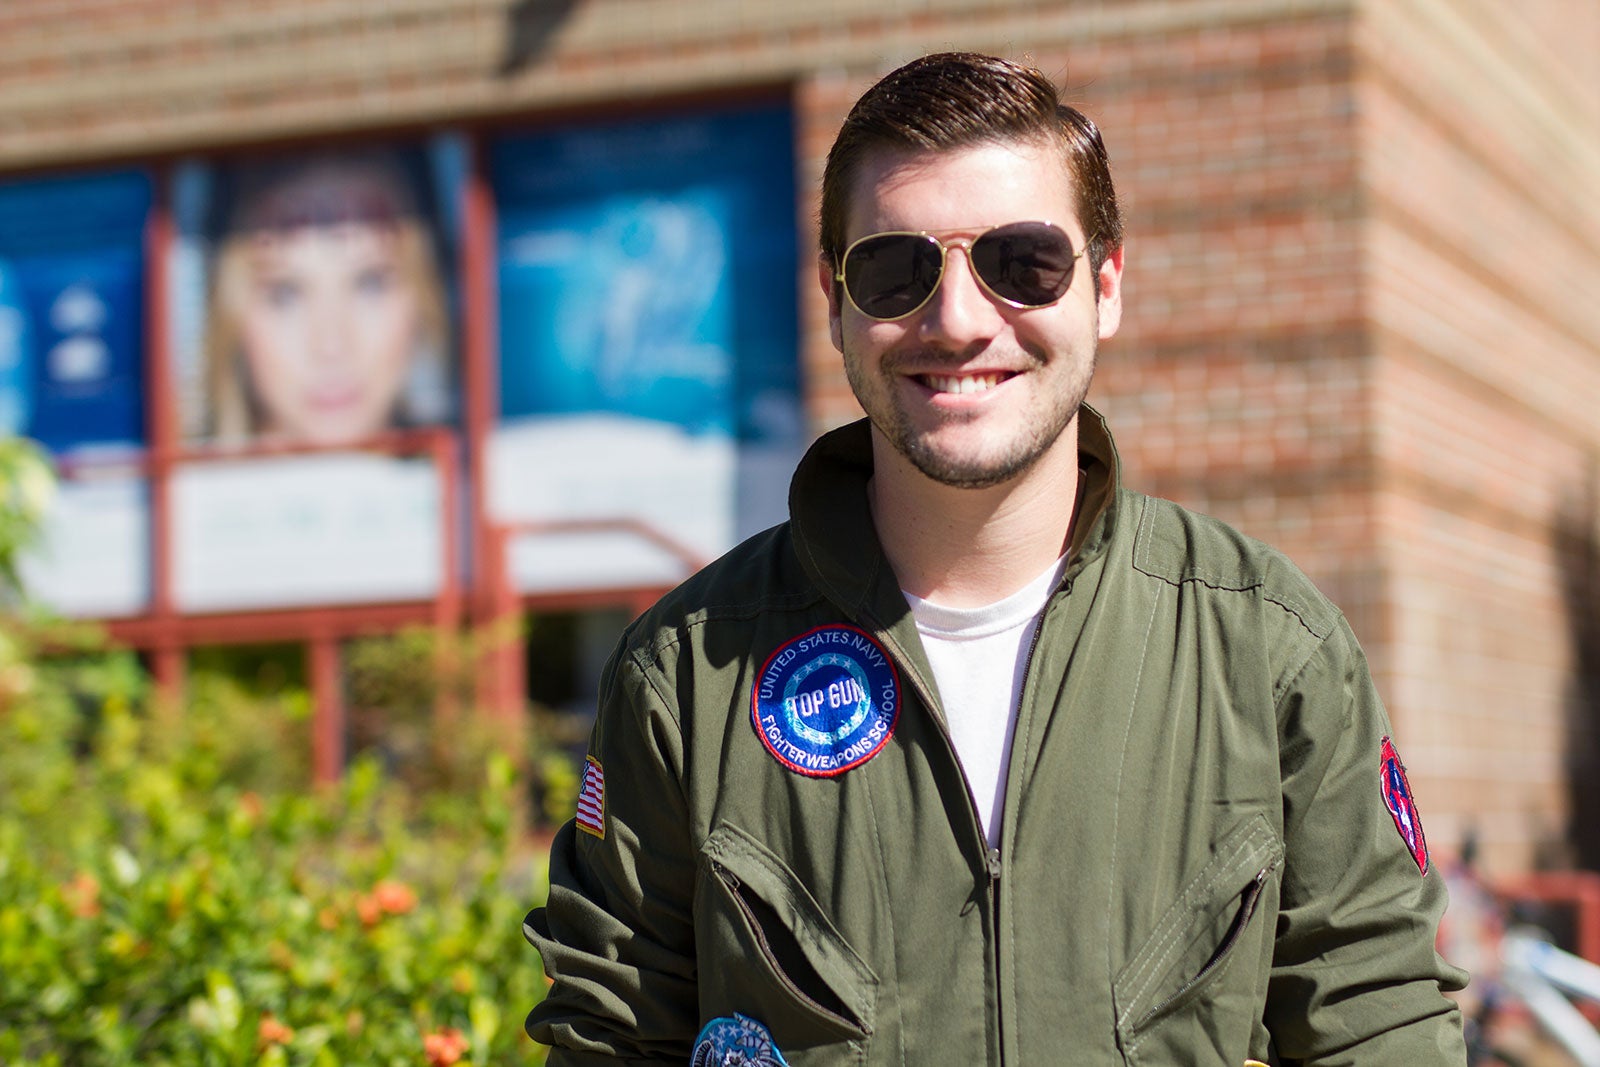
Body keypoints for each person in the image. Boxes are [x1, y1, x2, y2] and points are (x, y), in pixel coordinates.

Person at [524, 52, 1468, 1065]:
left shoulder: (1267, 649)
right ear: (834, 300)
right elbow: (611, 1038)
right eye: (897, 268)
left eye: (1022, 262)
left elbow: (1379, 1020)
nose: (960, 319)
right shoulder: (684, 677)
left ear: (1104, 285)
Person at [200, 151, 451, 446]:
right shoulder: (175, 490)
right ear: (231, 313)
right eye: (286, 294)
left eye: (370, 284)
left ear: (422, 296)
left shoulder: (479, 484)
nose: (331, 346)